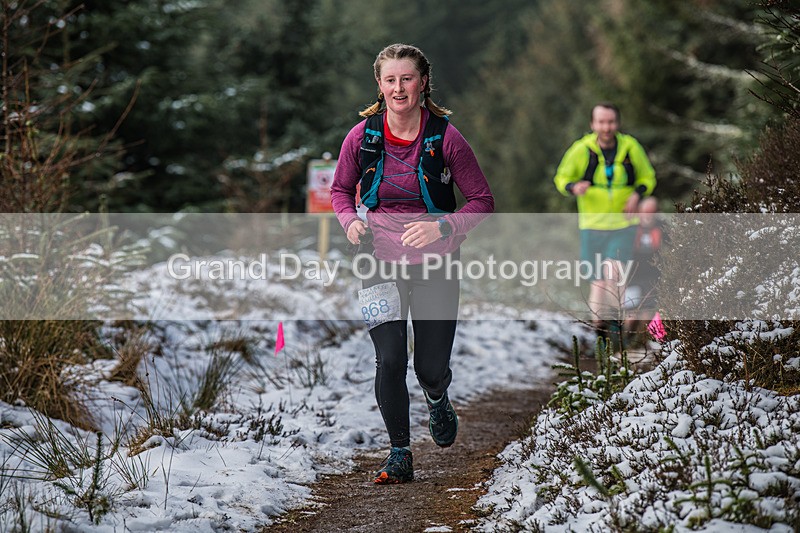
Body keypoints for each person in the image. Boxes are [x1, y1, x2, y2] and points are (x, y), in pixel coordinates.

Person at [330, 43, 494, 484]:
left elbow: (482, 201)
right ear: (379, 86)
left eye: (407, 78)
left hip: (436, 263)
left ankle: (437, 396)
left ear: (423, 83)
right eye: (390, 80)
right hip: (376, 262)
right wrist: (349, 223)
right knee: (389, 358)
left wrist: (443, 228)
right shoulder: (361, 137)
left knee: (428, 367)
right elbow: (340, 192)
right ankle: (399, 452)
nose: (399, 87)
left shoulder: (447, 138)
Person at [553, 103, 656, 333]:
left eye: (610, 122)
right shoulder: (581, 149)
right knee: (597, 282)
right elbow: (561, 178)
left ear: (617, 123)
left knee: (614, 272)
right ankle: (599, 328)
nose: (606, 127)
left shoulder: (630, 147)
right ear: (592, 124)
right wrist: (573, 187)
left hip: (623, 224)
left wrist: (636, 194)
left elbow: (648, 177)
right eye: (601, 122)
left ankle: (619, 324)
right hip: (591, 225)